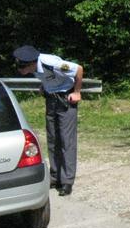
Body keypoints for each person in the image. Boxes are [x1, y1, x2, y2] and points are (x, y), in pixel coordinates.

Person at [13, 45, 84, 196]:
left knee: (66, 140)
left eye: (23, 67)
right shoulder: (34, 67)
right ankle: (55, 176)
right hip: (51, 100)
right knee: (52, 139)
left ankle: (67, 181)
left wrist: (77, 92)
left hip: (65, 99)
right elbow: (47, 77)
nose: (21, 70)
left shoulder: (50, 63)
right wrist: (44, 86)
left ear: (32, 63)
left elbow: (78, 69)